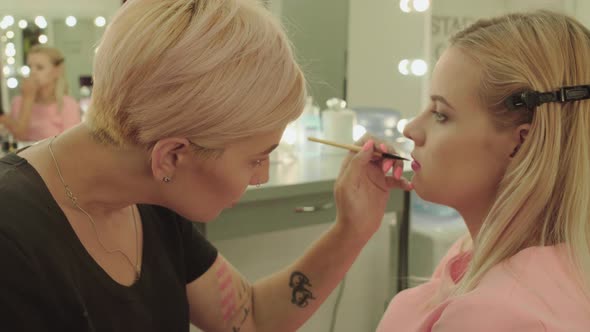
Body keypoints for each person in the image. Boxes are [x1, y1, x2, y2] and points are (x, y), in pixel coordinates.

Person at [0, 0, 410, 331]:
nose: (262, 177)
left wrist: (353, 228)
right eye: (256, 158)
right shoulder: (13, 237)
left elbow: (250, 317)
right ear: (172, 156)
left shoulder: (152, 197)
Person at [376, 10, 590, 331]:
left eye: (441, 114)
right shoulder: (475, 253)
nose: (411, 128)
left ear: (520, 144)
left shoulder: (495, 315)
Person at [0, 45, 81, 142]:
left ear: (56, 71)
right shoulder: (18, 102)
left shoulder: (68, 104)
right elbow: (20, 137)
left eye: (39, 67)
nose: (33, 72)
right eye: (30, 67)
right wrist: (28, 99)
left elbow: (71, 143)